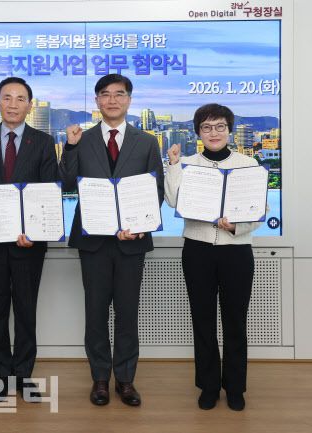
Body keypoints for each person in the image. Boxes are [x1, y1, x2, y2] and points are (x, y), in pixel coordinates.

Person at [59, 74, 163, 407]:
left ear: (129, 100)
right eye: (105, 94)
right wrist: (70, 148)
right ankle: (100, 379)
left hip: (131, 242)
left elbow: (156, 191)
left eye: (119, 94)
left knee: (127, 314)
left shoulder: (147, 142)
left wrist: (140, 225)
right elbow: (65, 184)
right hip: (94, 241)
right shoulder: (82, 139)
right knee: (95, 313)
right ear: (97, 101)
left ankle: (126, 380)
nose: (112, 100)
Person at [0, 76, 58, 401]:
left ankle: (24, 376)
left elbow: (49, 189)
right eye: (7, 98)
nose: (13, 104)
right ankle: (2, 376)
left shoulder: (43, 141)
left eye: (20, 99)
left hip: (28, 244)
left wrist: (35, 231)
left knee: (26, 312)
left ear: (29, 106)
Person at [165, 103, 262, 411]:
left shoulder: (248, 164)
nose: (214, 132)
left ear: (229, 130)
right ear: (198, 133)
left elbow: (260, 210)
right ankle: (208, 386)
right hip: (198, 250)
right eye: (207, 127)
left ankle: (235, 387)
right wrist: (173, 165)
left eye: (220, 126)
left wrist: (236, 226)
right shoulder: (187, 164)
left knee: (235, 321)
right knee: (202, 320)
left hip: (237, 251)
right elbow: (172, 201)